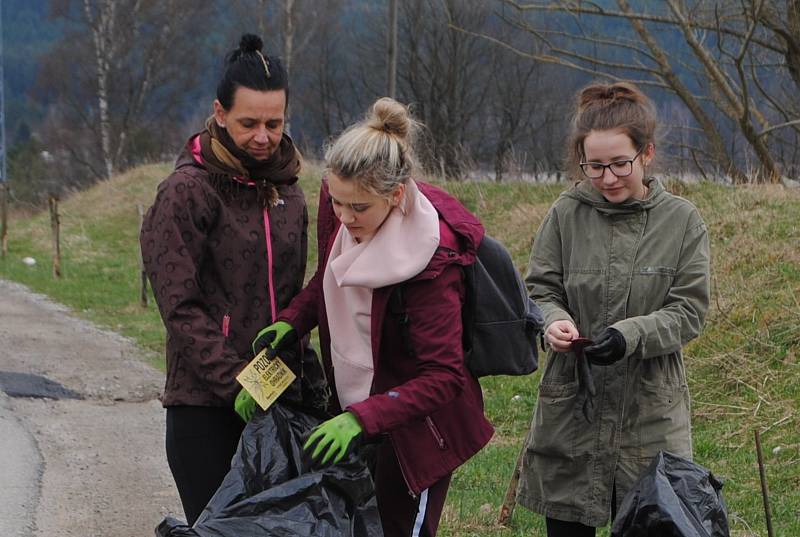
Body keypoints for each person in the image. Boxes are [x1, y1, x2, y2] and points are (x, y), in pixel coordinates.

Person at [252, 97, 494, 536]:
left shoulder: (432, 263)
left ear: (396, 195)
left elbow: (444, 375)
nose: (344, 218)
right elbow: (331, 276)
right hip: (357, 405)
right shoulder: (340, 201)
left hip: (420, 433)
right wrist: (293, 321)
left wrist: (363, 418)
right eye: (338, 203)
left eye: (358, 208)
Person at [140, 34, 322, 525]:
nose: (263, 136)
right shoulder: (185, 193)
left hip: (277, 399)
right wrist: (236, 382)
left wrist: (309, 379)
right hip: (203, 405)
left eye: (274, 123)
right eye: (248, 123)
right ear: (220, 113)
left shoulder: (292, 194)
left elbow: (293, 299)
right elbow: (181, 308)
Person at [517, 82, 710, 537]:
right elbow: (540, 290)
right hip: (572, 410)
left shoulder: (682, 221)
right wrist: (554, 321)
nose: (607, 178)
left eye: (619, 163)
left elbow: (689, 310)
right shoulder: (565, 214)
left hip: (649, 414)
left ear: (646, 154)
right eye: (595, 166)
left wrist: (631, 335)